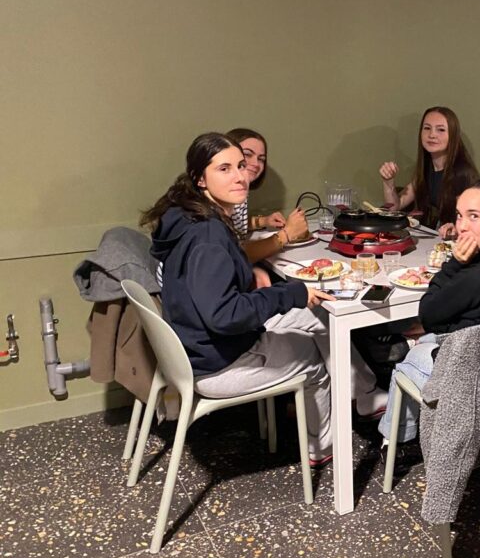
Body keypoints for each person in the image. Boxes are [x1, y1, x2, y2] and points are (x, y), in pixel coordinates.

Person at [143, 133, 386, 467]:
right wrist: (290, 293)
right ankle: (322, 448)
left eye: (241, 166)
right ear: (200, 178)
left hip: (198, 345)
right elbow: (224, 315)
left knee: (318, 317)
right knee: (313, 357)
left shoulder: (188, 216)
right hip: (217, 362)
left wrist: (277, 289)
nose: (240, 176)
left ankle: (363, 395)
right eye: (224, 169)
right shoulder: (208, 236)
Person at [377, 178, 480, 443]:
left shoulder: (477, 277)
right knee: (425, 340)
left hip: (469, 380)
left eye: (474, 216)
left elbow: (428, 314)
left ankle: (395, 442)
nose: (462, 226)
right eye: (460, 215)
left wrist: (455, 264)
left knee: (406, 362)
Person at [379, 106, 479, 237]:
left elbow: (473, 221)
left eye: (441, 130)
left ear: (453, 136)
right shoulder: (426, 168)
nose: (432, 135)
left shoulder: (463, 174)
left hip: (455, 242)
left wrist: (455, 228)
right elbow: (394, 208)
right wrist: (388, 182)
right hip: (435, 238)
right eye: (427, 128)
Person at [225, 128, 311, 265]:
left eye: (261, 159)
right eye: (247, 154)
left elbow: (234, 224)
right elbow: (233, 256)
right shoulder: (218, 199)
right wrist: (287, 234)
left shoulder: (239, 191)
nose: (255, 164)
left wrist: (262, 221)